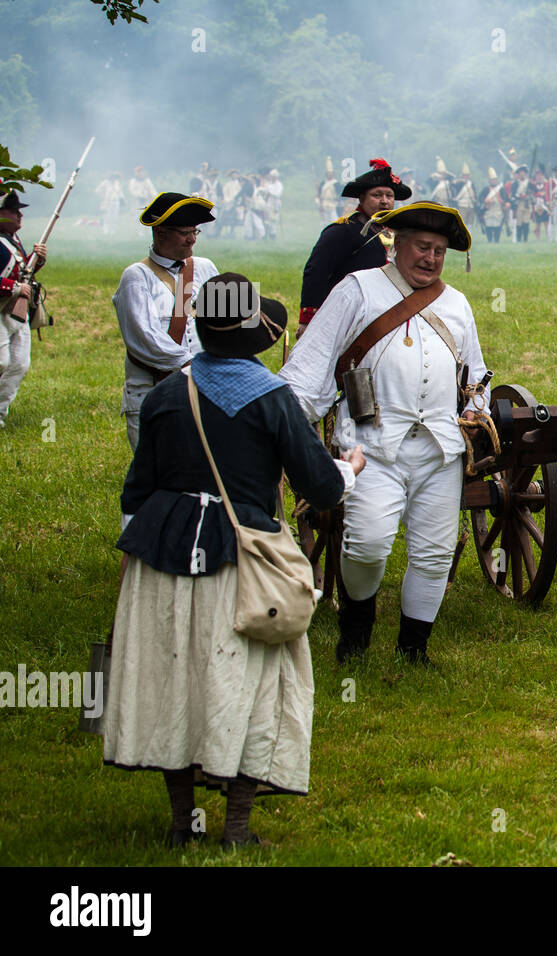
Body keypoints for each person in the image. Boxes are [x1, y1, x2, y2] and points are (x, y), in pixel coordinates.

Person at [103, 274, 362, 848]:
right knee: (253, 686)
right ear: (254, 335)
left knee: (174, 683)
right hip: (243, 562)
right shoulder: (274, 399)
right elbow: (320, 488)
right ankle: (236, 829)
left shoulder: (166, 396)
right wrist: (350, 469)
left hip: (164, 555)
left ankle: (182, 825)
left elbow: (137, 492)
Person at [280, 203, 487, 665]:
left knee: (434, 554)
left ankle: (413, 650)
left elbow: (475, 375)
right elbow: (311, 365)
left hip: (440, 450)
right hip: (370, 447)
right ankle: (356, 631)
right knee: (367, 546)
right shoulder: (357, 289)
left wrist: (478, 412)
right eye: (422, 247)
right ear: (397, 244)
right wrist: (283, 424)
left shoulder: (456, 303)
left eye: (439, 251)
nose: (431, 258)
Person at [113, 192, 221, 449]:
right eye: (184, 233)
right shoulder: (135, 276)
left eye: (195, 231)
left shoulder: (206, 267)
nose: (192, 239)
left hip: (203, 393)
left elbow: (227, 323)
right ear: (160, 232)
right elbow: (146, 340)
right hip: (154, 394)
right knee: (157, 470)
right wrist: (196, 366)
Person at [298, 158, 409, 333]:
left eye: (389, 196)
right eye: (377, 195)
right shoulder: (343, 229)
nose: (384, 201)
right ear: (362, 198)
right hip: (346, 313)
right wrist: (308, 320)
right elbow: (317, 271)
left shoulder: (398, 233)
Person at [0, 192, 47, 428]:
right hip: (2, 309)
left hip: (16, 311)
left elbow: (21, 272)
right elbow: (13, 281)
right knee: (1, 362)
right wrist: (14, 287)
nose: (19, 215)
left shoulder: (12, 239)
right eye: (13, 211)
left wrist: (37, 260)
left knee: (19, 364)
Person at [480, 168, 506, 243]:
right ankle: (489, 240)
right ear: (489, 181)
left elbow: (505, 199)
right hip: (489, 210)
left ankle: (497, 240)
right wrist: (487, 201)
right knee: (488, 225)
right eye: (492, 180)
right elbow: (481, 199)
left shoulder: (501, 189)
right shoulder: (486, 189)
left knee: (497, 226)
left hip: (498, 210)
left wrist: (500, 199)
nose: (494, 181)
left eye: (495, 179)